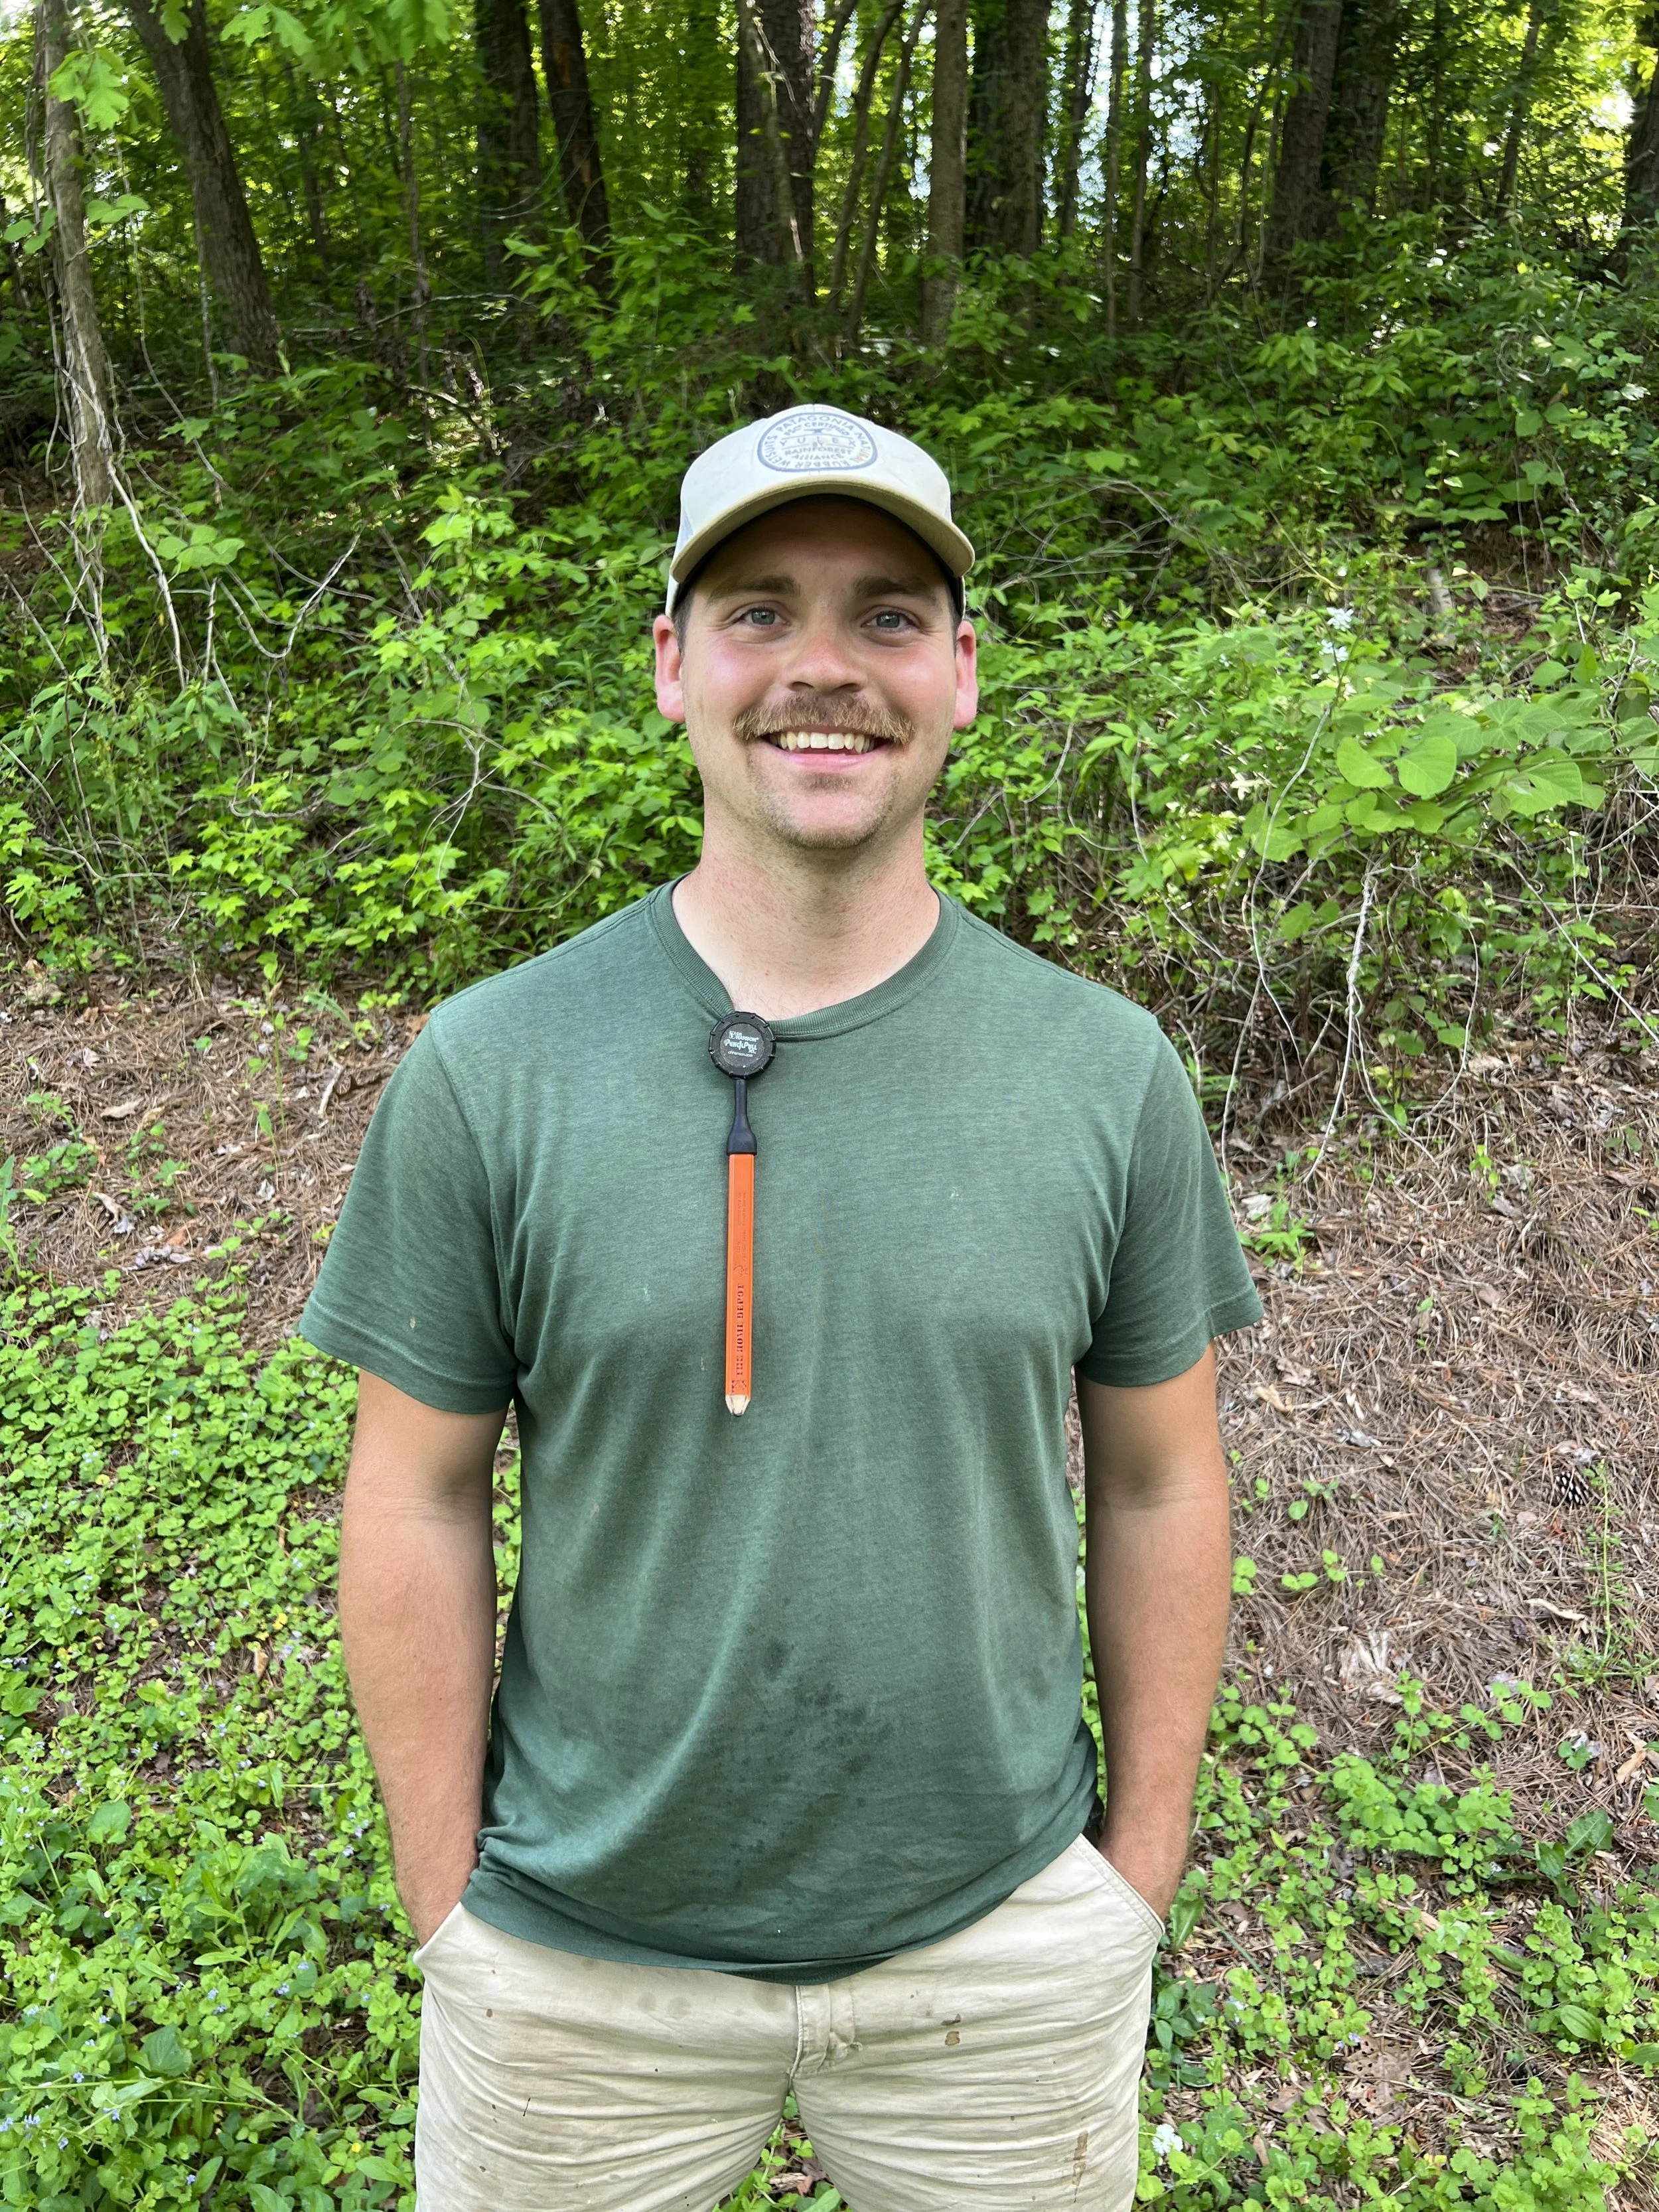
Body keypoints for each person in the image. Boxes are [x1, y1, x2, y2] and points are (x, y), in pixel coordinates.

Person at [303, 402, 1261, 2212]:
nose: (824, 666)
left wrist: (1128, 1878)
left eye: (887, 613)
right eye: (758, 609)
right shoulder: (492, 1067)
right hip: (574, 1968)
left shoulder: (1101, 1071)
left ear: (962, 673)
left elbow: (1156, 1480)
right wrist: (453, 1906)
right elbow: (410, 1490)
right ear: (669, 663)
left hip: (999, 1957)